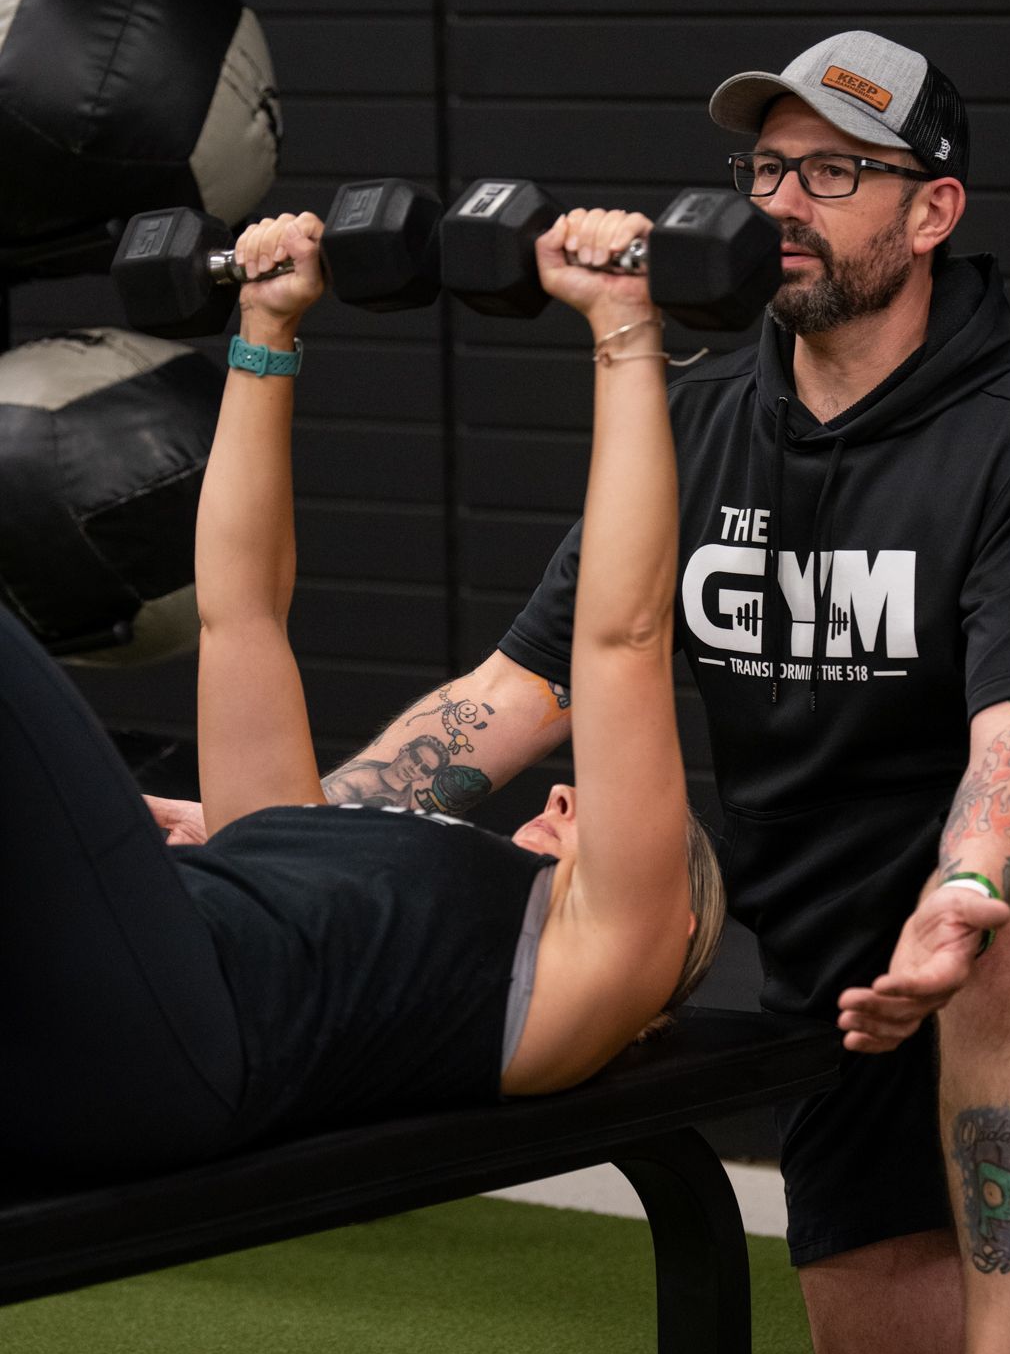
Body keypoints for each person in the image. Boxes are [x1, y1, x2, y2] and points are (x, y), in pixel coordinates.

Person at [148, 35, 1010, 1354]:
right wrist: (288, 840)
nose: (786, 201)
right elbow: (509, 693)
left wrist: (960, 893)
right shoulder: (699, 425)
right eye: (771, 168)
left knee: (1005, 942)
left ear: (932, 209)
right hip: (825, 923)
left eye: (838, 172)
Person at [0, 202, 724, 1187]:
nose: (559, 792)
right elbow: (240, 613)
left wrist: (624, 326)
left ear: (670, 927)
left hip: (179, 1033)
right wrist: (266, 325)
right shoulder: (288, 830)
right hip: (108, 1006)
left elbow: (620, 640)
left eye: (646, 846)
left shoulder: (603, 961)